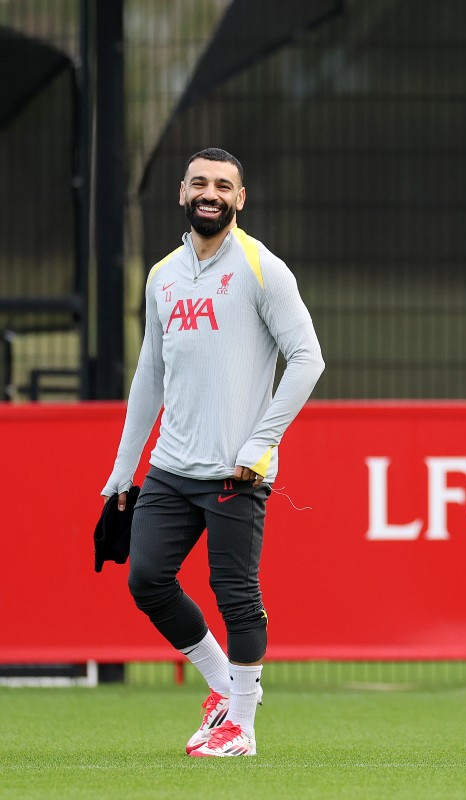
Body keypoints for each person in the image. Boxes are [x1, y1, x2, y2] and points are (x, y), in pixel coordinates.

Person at [101, 148, 324, 757]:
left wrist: (262, 441)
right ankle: (225, 689)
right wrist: (124, 471)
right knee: (147, 580)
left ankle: (242, 730)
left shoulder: (263, 268)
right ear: (182, 192)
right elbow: (149, 373)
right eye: (200, 182)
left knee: (237, 597)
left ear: (240, 199)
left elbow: (308, 359)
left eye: (223, 186)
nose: (211, 193)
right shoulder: (163, 274)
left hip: (236, 469)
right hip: (171, 468)